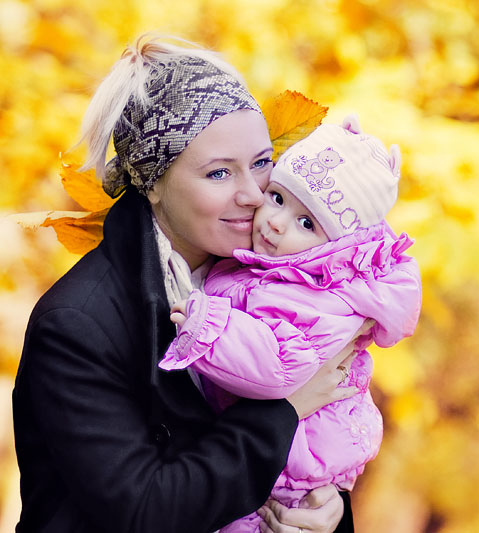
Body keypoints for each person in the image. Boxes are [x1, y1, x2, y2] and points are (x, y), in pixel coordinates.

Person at [12, 33, 358, 533]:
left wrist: (328, 512)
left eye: (262, 163)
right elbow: (143, 511)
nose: (253, 195)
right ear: (152, 183)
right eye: (219, 174)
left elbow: (320, 446)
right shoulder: (77, 326)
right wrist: (281, 411)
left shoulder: (281, 287)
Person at [157, 116, 422, 532]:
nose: (276, 222)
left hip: (293, 460)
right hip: (268, 452)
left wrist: (207, 326)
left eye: (306, 223)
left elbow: (277, 365)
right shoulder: (277, 269)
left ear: (335, 246)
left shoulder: (317, 296)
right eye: (278, 198)